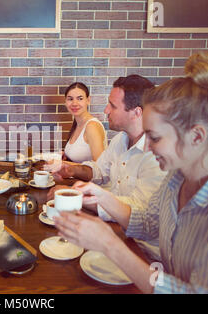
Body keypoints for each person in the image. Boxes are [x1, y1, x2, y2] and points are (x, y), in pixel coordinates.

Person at [54, 53, 208, 293]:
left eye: (155, 138)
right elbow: (148, 223)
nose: (147, 147)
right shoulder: (176, 179)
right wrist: (99, 194)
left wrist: (108, 244)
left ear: (197, 136)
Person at [48, 75, 167, 261]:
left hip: (143, 252)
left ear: (136, 112)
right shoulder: (121, 139)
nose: (105, 111)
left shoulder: (156, 156)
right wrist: (72, 170)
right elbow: (99, 171)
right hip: (116, 233)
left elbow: (139, 216)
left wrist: (77, 197)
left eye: (112, 105)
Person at [63, 82, 107, 163]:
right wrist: (65, 155)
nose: (74, 103)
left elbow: (100, 167)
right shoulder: (77, 124)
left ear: (88, 100)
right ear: (65, 101)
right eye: (70, 99)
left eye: (80, 98)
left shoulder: (92, 126)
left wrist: (65, 164)